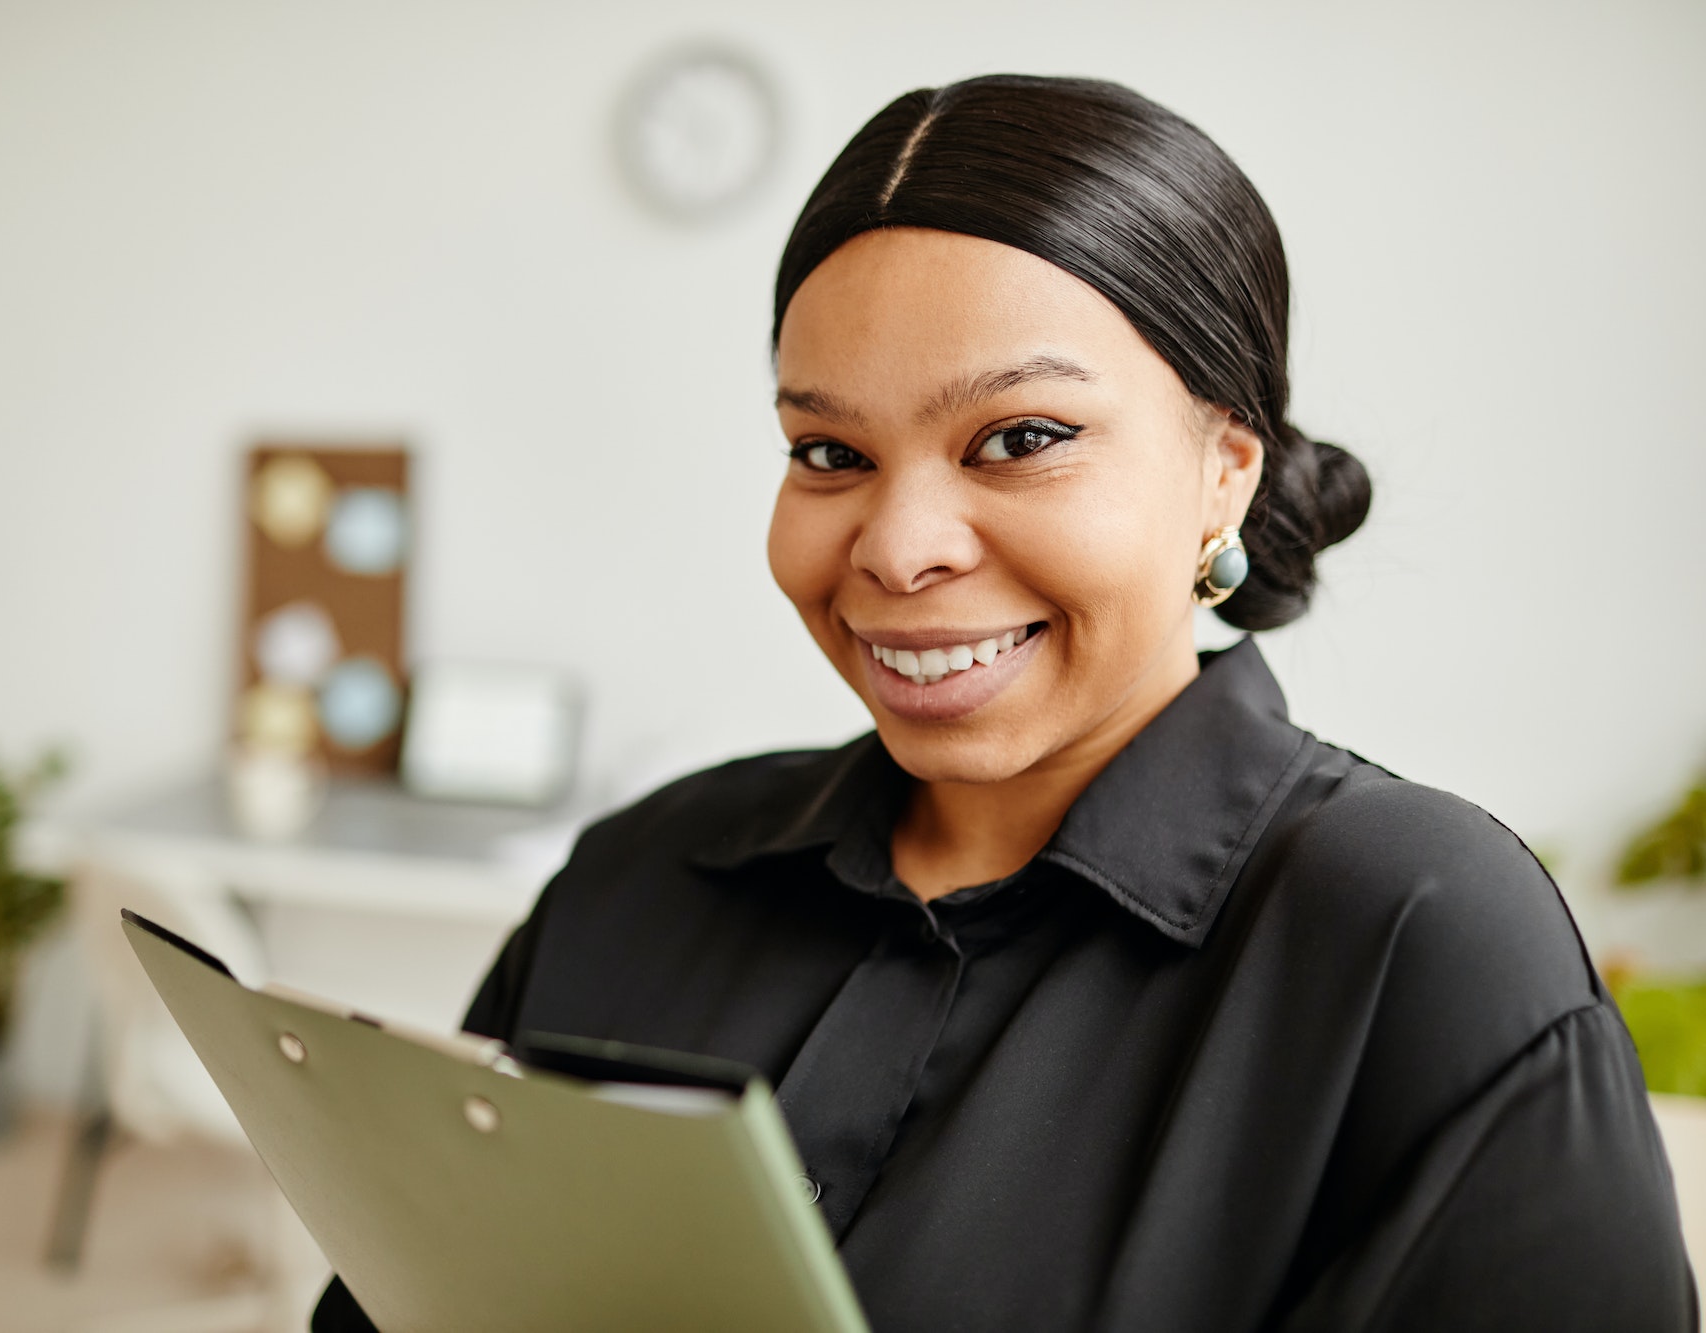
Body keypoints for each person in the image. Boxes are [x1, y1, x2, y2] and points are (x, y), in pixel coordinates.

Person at [314, 75, 1694, 1331]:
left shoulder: (1414, 928)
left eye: (1021, 439)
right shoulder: (644, 873)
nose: (899, 546)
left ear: (1224, 467)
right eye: (829, 449)